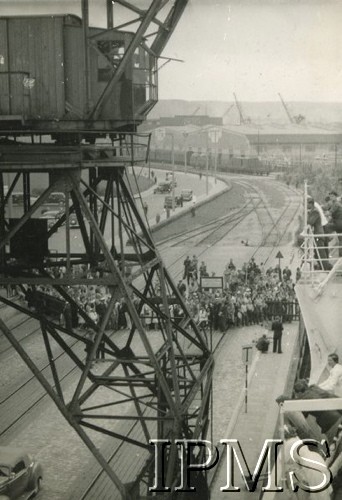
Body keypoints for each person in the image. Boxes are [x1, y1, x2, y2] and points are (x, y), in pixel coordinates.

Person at [293, 379, 342, 444]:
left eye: (296, 394)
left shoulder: (304, 399)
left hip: (331, 424)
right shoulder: (315, 388)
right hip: (339, 416)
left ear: (299, 393)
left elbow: (301, 417)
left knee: (334, 447)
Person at [307, 197, 331, 270]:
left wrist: (307, 215)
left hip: (318, 235)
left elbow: (310, 222)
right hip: (317, 235)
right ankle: (323, 266)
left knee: (320, 252)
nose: (306, 206)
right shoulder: (312, 211)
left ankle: (327, 267)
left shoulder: (315, 211)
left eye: (307, 204)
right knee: (316, 252)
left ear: (311, 204)